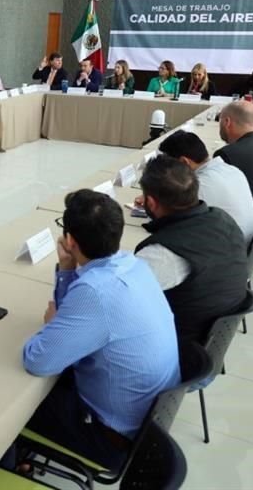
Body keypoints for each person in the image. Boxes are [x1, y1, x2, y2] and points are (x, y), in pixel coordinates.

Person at [16, 190, 179, 470]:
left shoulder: (95, 291)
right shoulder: (133, 264)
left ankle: (15, 463)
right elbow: (76, 317)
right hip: (147, 420)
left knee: (10, 405)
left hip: (110, 438)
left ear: (69, 240)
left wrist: (54, 325)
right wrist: (67, 270)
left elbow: (38, 361)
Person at [134, 156, 248, 346]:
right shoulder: (221, 218)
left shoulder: (162, 254)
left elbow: (117, 305)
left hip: (176, 347)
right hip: (209, 339)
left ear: (151, 203)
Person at [156, 131, 253, 243]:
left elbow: (169, 217)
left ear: (184, 162)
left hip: (227, 251)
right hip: (243, 244)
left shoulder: (201, 184)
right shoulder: (232, 170)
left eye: (169, 167)